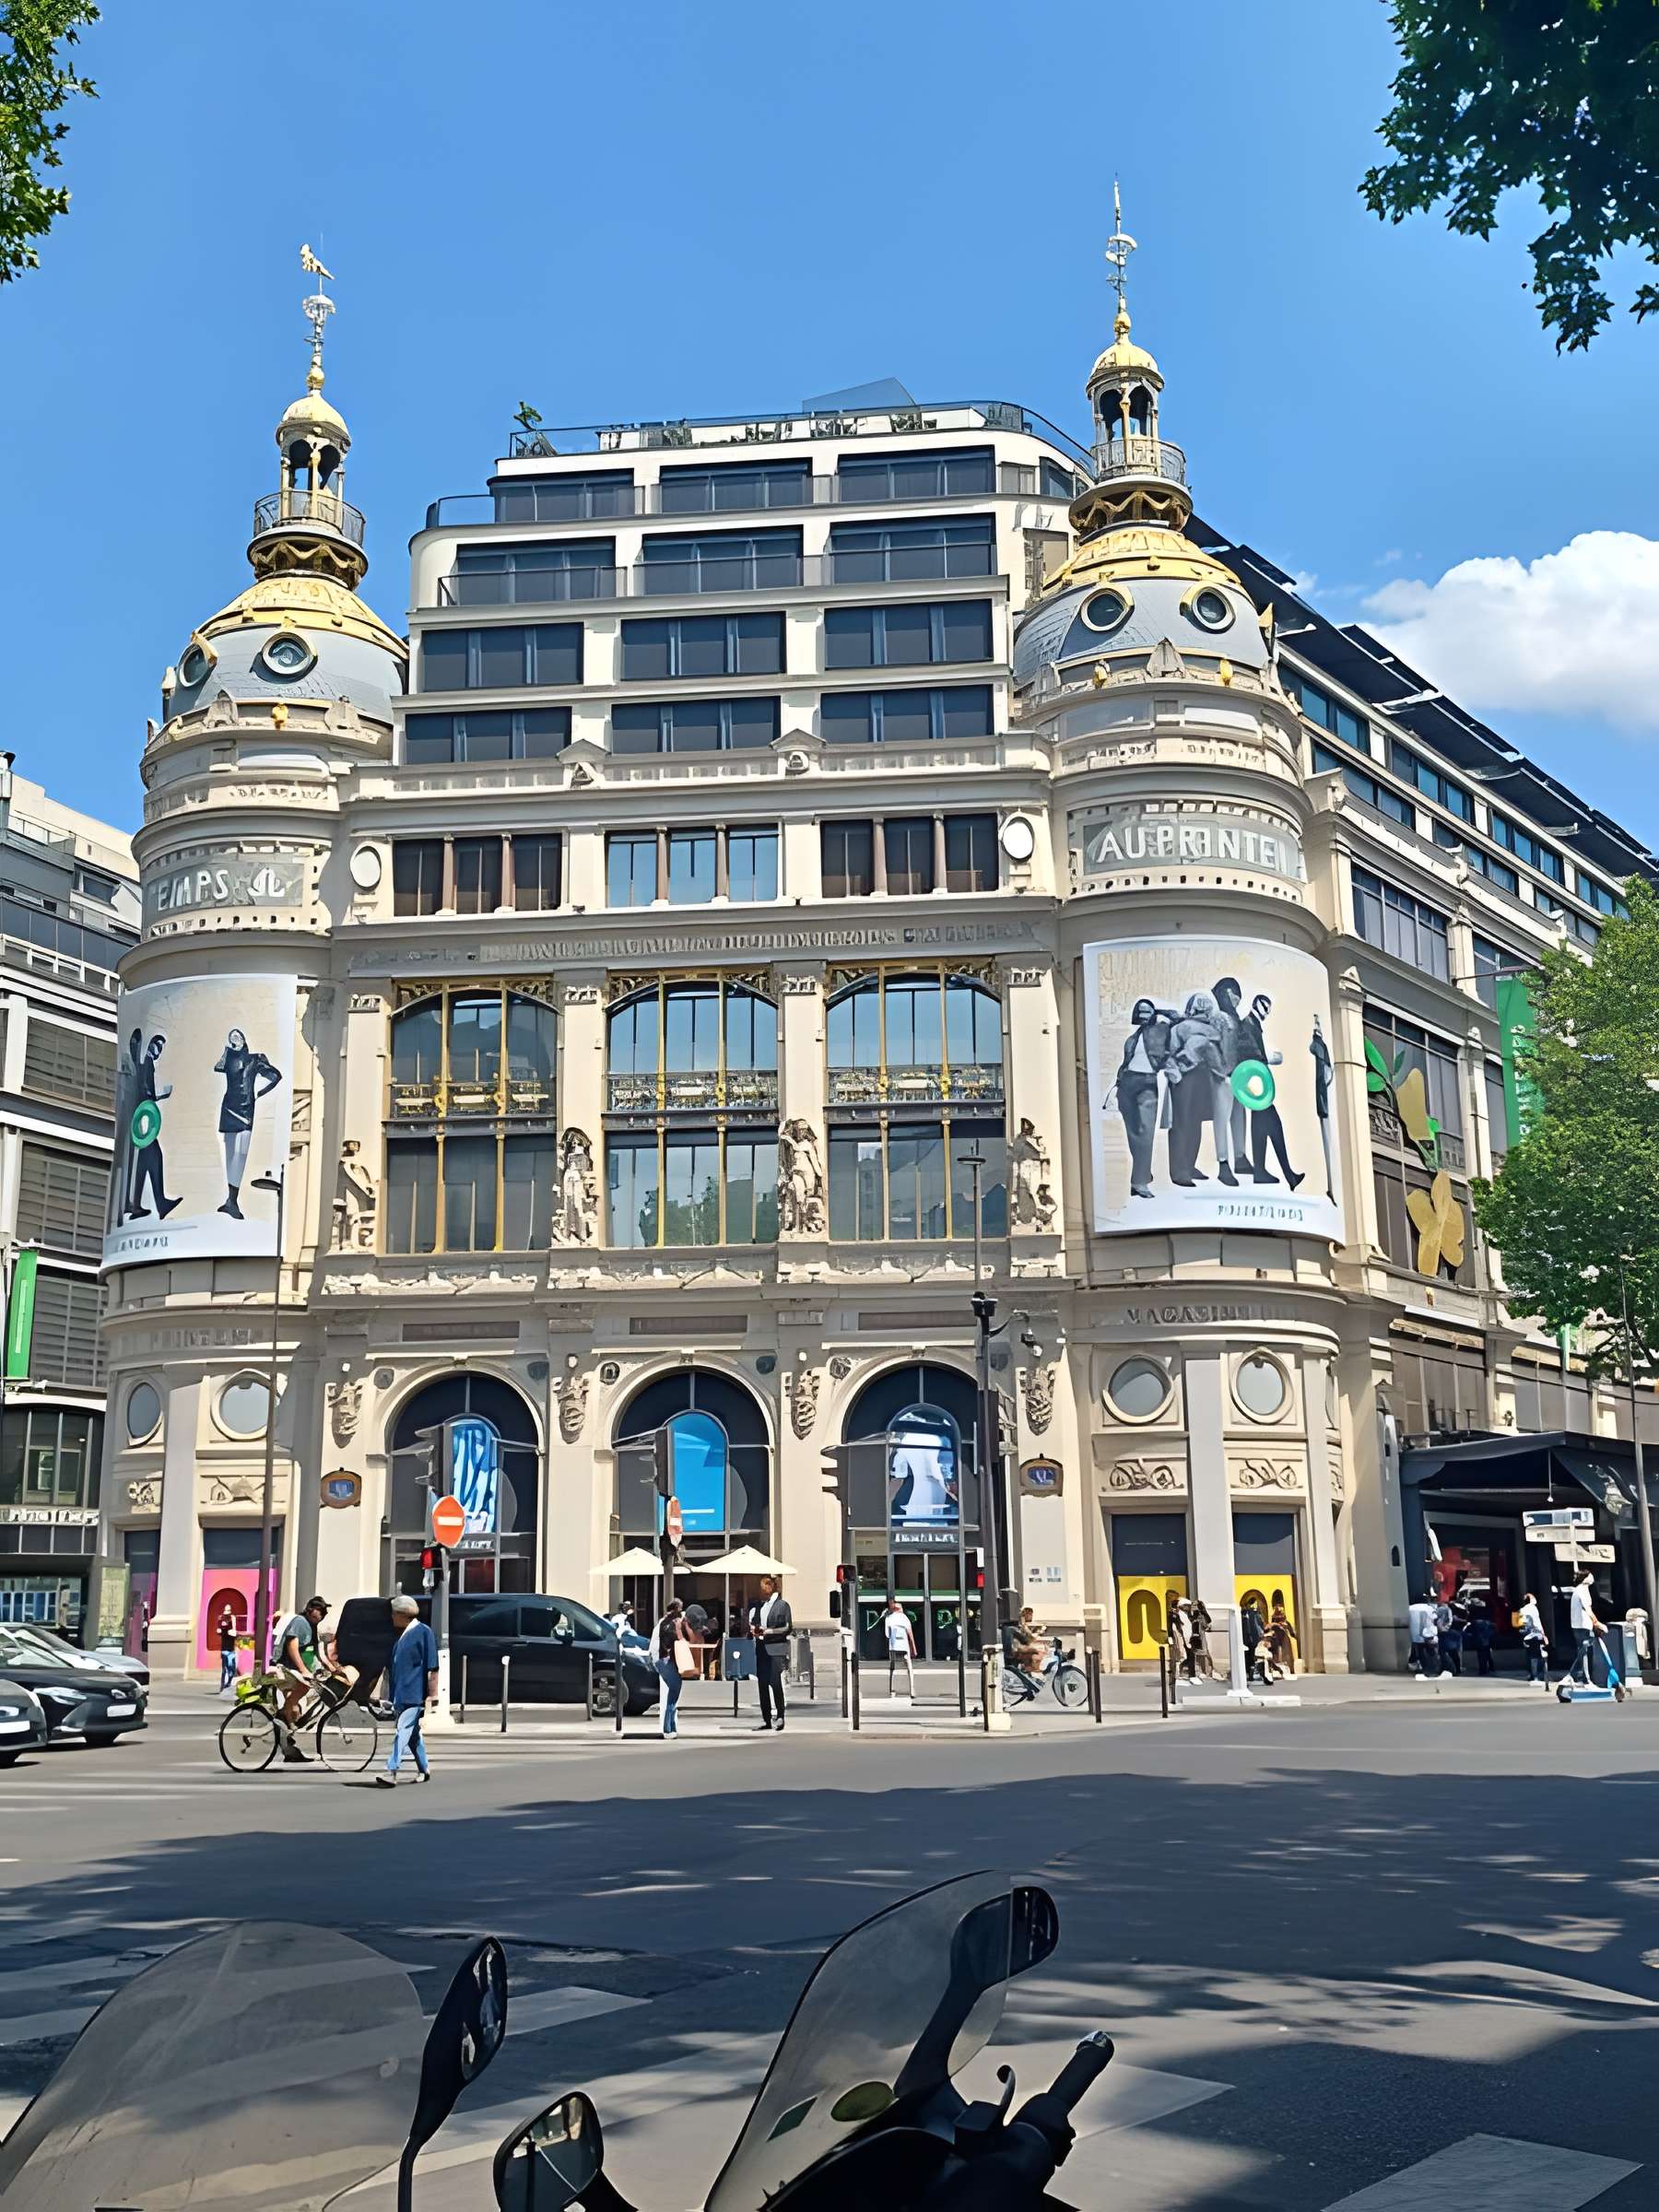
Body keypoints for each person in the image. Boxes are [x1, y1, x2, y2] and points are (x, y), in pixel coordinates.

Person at [1108, 999, 1178, 1200]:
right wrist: (1119, 1085)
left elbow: (1178, 1016)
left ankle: (1141, 1182)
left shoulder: (1161, 1029)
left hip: (1148, 1084)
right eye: (1141, 1012)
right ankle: (1139, 1178)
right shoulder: (1132, 1038)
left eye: (1148, 1011)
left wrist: (1159, 1011)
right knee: (1134, 1136)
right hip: (1127, 1084)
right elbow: (1125, 1063)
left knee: (1146, 1134)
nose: (1144, 1015)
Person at [1235, 994, 1303, 1189]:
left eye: (1268, 1009)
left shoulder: (1252, 1024)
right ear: (1257, 1005)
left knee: (1261, 1125)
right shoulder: (1248, 1024)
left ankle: (1261, 1172)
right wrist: (1268, 1059)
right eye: (1265, 1008)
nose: (1266, 1013)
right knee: (1274, 1124)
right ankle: (1286, 1174)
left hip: (1253, 1083)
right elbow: (1250, 1053)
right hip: (1253, 1083)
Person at [213, 1029, 282, 1219]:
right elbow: (217, 1067)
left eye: (238, 1037)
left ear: (244, 1039)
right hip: (228, 1108)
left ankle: (233, 1200)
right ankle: (230, 1199)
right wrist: (226, 1051)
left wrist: (259, 1093)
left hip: (245, 1110)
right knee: (228, 1155)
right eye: (232, 1038)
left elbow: (276, 1076)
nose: (235, 1040)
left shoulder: (255, 1059)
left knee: (240, 1154)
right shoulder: (228, 1059)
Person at [377, 1594, 438, 1787]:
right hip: (400, 1694)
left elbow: (433, 1666)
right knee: (412, 1735)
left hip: (415, 1694)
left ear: (403, 1614)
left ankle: (392, 1769)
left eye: (394, 1614)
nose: (392, 1618)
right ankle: (424, 1768)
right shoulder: (400, 1636)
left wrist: (432, 1695)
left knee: (402, 1731)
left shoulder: (423, 1632)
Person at [1168, 994, 1223, 1187]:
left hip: (1201, 1078)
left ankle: (1188, 1167)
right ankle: (1179, 1171)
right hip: (1185, 1079)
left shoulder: (1204, 1030)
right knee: (1183, 1123)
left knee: (1194, 1123)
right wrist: (1174, 1071)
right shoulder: (1180, 1029)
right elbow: (1169, 1053)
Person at [270, 1594, 333, 1761]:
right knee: (305, 1686)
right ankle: (282, 1716)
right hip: (284, 1667)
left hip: (294, 1669)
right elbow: (292, 1646)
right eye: (321, 1611)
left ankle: (289, 1750)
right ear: (311, 1610)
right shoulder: (300, 1622)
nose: (324, 1614)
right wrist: (304, 1670)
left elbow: (319, 1652)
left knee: (296, 1711)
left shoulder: (313, 1627)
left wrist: (333, 1668)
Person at [127, 1034, 181, 1220]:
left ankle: (137, 1204)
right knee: (154, 1156)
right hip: (142, 1119)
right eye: (158, 1046)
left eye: (160, 1048)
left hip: (142, 1116)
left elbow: (146, 1091)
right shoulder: (146, 1063)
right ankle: (159, 1203)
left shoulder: (147, 1065)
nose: (158, 1051)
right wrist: (135, 1042)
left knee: (145, 1159)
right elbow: (143, 1089)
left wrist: (160, 1096)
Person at [1208, 977, 1244, 1187]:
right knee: (1222, 1119)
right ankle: (1223, 1164)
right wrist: (1219, 1070)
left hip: (1239, 1075)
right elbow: (1211, 1045)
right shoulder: (1219, 1018)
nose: (1238, 1000)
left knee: (1239, 1116)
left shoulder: (1234, 1017)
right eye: (1235, 995)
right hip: (1223, 1077)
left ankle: (1241, 1157)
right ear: (1227, 993)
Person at [749, 1574, 792, 1732]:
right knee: (762, 1685)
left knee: (775, 1682)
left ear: (769, 1587)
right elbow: (754, 1624)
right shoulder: (760, 1606)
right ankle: (766, 1719)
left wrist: (769, 1631)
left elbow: (787, 1627)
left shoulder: (782, 1605)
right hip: (761, 1648)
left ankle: (780, 1716)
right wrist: (754, 1629)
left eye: (761, 1588)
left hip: (775, 1648)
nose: (759, 1592)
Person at [653, 1597, 691, 1737]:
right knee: (674, 1692)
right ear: (677, 1609)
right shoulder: (672, 1624)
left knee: (673, 1693)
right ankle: (668, 1728)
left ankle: (671, 1727)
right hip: (667, 1660)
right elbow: (681, 1640)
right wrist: (679, 1627)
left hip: (662, 1660)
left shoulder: (663, 1622)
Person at [1310, 1016, 1335, 1199]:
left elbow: (1326, 1073)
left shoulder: (1319, 1046)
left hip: (1320, 1099)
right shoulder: (1318, 1047)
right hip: (1318, 1099)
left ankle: (1331, 1187)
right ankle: (1329, 1187)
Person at [1570, 1569, 1603, 1685]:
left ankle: (1583, 1677)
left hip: (1577, 1625)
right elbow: (1587, 1609)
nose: (1592, 1577)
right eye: (1590, 1575)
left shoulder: (1578, 1590)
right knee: (1585, 1650)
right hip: (1583, 1625)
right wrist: (1597, 1622)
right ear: (1585, 1579)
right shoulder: (1582, 1591)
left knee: (1582, 1651)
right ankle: (1577, 1675)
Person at [883, 1595, 918, 1698]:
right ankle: (912, 1690)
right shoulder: (905, 1618)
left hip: (893, 1646)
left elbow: (887, 1635)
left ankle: (892, 1690)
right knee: (909, 1668)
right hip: (904, 1647)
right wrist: (914, 1649)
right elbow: (910, 1635)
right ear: (900, 1609)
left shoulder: (888, 1619)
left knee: (892, 1668)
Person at [1518, 1590, 1549, 1684]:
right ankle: (1536, 1676)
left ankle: (1531, 1674)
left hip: (1526, 1635)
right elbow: (1537, 1623)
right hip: (1535, 1634)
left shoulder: (1522, 1610)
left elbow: (1519, 1624)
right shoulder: (1533, 1608)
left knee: (1530, 1655)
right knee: (1536, 1656)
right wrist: (1543, 1634)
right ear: (1531, 1600)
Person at [1265, 1596, 1298, 1677]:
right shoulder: (1280, 1618)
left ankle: (1287, 1669)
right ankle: (1287, 1670)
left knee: (1282, 1653)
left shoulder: (1277, 1617)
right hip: (1278, 1635)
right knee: (1284, 1653)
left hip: (1278, 1635)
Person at [1185, 1598, 1215, 1681]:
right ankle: (1200, 1673)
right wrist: (1188, 1613)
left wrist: (1206, 1626)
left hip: (1200, 1637)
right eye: (1192, 1605)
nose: (1192, 1606)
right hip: (1195, 1637)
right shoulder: (1195, 1615)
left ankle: (1207, 1672)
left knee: (1204, 1654)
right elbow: (1192, 1621)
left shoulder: (1200, 1615)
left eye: (1194, 1605)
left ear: (1198, 1606)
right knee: (1198, 1655)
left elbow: (1205, 1626)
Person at [1241, 1595, 1266, 1684]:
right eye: (1255, 1603)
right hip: (1253, 1638)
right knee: (1252, 1655)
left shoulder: (1245, 1613)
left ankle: (1248, 1672)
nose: (1256, 1605)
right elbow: (1260, 1625)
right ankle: (1252, 1672)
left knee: (1247, 1655)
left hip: (1246, 1638)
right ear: (1253, 1604)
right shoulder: (1255, 1614)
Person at [1438, 1596, 1465, 1677]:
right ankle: (1457, 1668)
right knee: (1454, 1652)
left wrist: (1442, 1628)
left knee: (1443, 1652)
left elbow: (1439, 1620)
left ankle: (1445, 1669)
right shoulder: (1459, 1608)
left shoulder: (1441, 1609)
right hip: (1455, 1631)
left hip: (1445, 1632)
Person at [217, 1605, 240, 1694]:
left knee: (231, 1669)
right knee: (224, 1668)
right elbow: (219, 1630)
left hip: (231, 1648)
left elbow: (234, 1630)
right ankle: (222, 1686)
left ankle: (228, 1682)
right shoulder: (221, 1619)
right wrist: (220, 1631)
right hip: (224, 1648)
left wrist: (234, 1632)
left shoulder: (232, 1618)